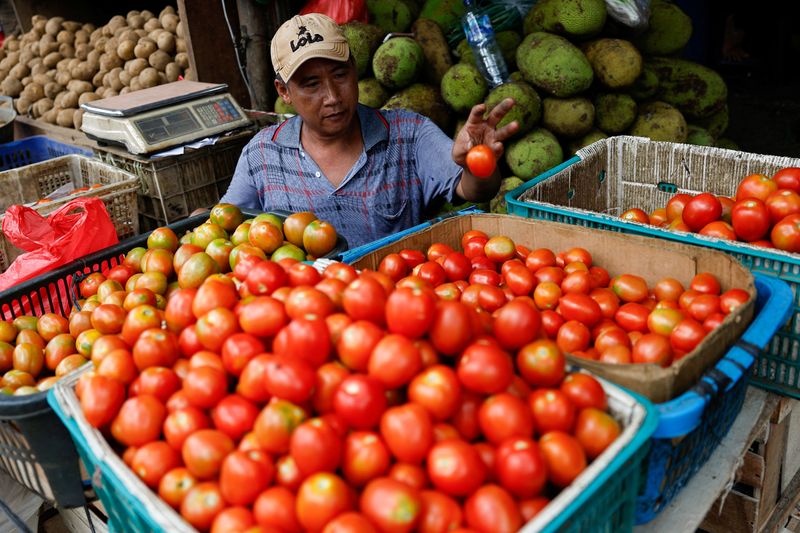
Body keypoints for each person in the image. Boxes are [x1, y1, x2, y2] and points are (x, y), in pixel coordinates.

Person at [220, 13, 518, 247]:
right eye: (312, 84)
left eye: (340, 75)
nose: (333, 97)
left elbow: (474, 189)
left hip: (397, 309)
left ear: (354, 69)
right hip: (305, 317)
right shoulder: (262, 154)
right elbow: (225, 227)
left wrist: (479, 163)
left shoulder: (408, 133)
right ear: (283, 91)